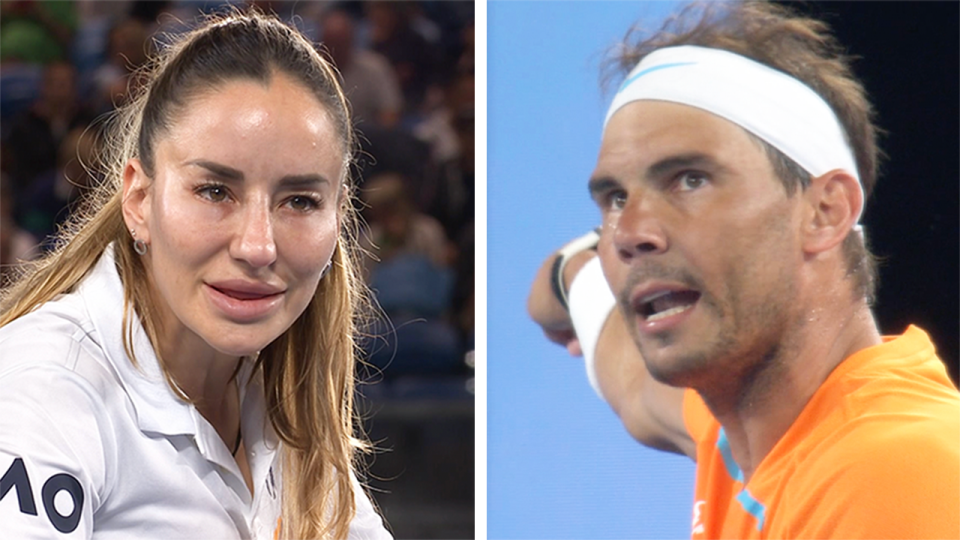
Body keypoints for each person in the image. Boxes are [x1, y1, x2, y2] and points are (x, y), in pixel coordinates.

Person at [528, 2, 960, 538]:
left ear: (825, 212)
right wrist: (567, 276)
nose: (629, 233)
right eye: (616, 198)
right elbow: (630, 382)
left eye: (690, 180)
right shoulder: (742, 432)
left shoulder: (889, 472)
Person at [0, 10, 391, 540]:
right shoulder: (44, 386)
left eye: (300, 200)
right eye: (214, 191)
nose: (258, 246)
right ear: (139, 199)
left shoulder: (284, 398)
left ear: (339, 217)